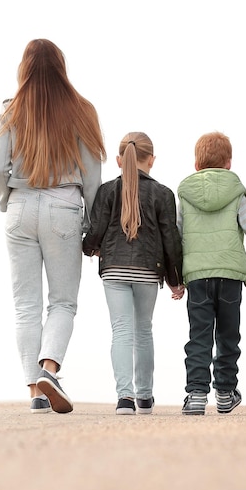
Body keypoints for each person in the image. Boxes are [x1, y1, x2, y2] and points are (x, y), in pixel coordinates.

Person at [0, 39, 106, 414]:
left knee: (25, 305)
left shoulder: (10, 111)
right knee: (62, 302)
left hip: (20, 206)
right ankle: (49, 369)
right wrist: (92, 223)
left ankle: (35, 394)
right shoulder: (82, 110)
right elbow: (92, 177)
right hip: (64, 205)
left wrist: (7, 200)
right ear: (62, 66)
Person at [178, 132, 246, 415]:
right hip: (230, 276)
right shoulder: (235, 192)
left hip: (197, 275)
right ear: (229, 162)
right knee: (227, 335)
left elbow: (176, 235)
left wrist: (175, 276)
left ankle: (197, 395)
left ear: (196, 164)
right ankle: (224, 392)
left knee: (199, 335)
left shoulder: (185, 193)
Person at [82, 132, 184, 415]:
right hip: (148, 272)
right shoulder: (163, 194)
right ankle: (145, 396)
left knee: (121, 331)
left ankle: (124, 398)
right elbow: (170, 240)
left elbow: (96, 230)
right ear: (151, 159)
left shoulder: (107, 191)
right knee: (143, 331)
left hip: (114, 269)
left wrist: (90, 249)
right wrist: (176, 280)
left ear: (118, 159)